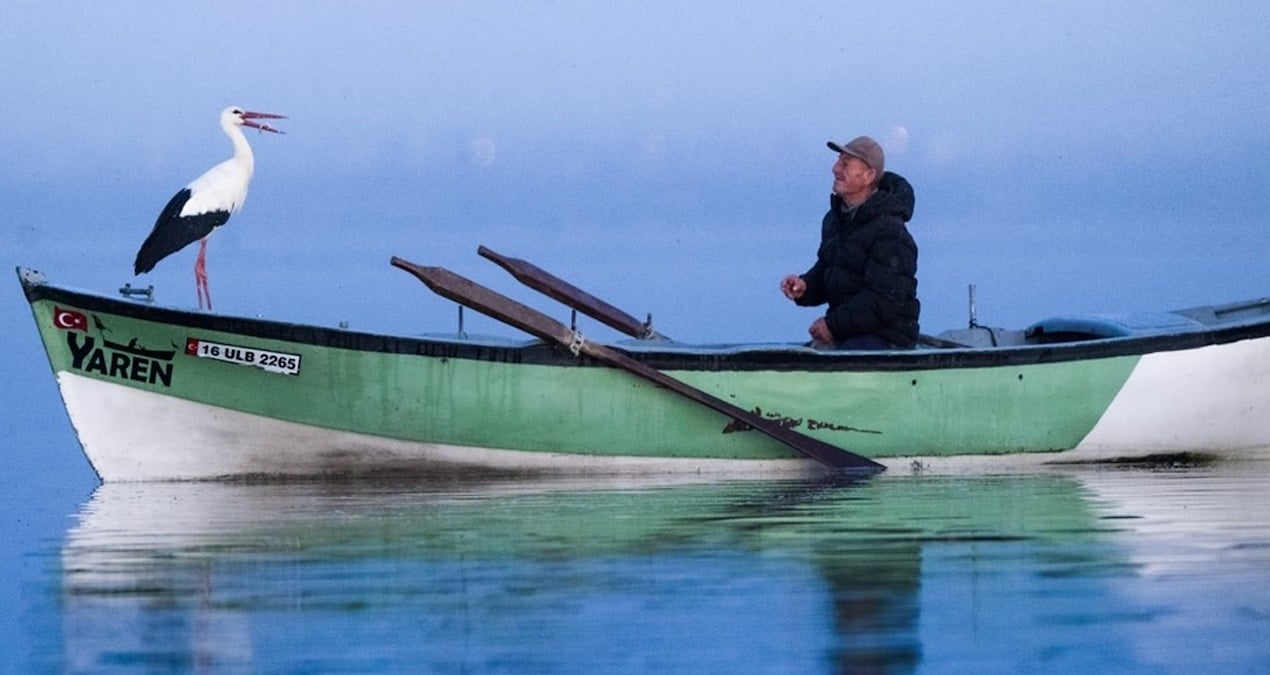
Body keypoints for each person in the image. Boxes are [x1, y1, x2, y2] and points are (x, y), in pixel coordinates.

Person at [780, 136, 920, 349]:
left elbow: (883, 300)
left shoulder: (891, 232)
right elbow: (831, 268)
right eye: (838, 161)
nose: (835, 169)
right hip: (847, 332)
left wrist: (832, 326)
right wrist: (805, 286)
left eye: (845, 164)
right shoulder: (834, 220)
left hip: (887, 338)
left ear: (868, 175)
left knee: (843, 362)